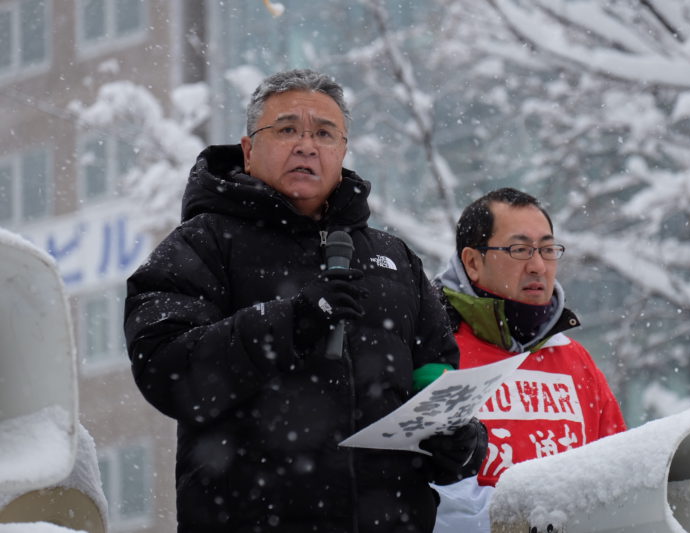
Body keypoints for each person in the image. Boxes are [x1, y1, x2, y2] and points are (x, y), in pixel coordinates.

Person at [124, 69, 487, 533]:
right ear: (249, 148)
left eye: (324, 132)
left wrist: (461, 442)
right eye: (287, 129)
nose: (306, 145)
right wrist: (290, 322)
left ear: (342, 151)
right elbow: (165, 368)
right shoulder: (200, 245)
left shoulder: (396, 260)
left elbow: (437, 377)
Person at [432, 188, 626, 532]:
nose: (538, 265)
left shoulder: (574, 358)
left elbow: (621, 475)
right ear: (473, 262)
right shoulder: (432, 350)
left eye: (548, 250)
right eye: (519, 249)